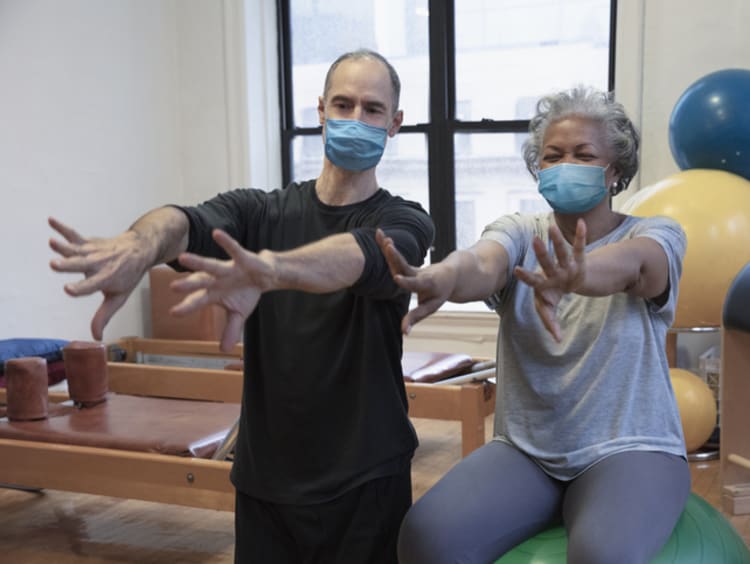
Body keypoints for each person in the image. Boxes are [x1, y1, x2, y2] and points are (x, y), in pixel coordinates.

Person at [49, 48, 434, 563]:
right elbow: (185, 220)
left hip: (366, 479)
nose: (355, 119)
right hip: (266, 480)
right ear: (320, 111)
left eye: (372, 109)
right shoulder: (260, 212)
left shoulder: (407, 220)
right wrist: (140, 246)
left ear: (395, 124)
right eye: (343, 105)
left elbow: (366, 255)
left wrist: (270, 270)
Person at [377, 86, 689, 564]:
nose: (566, 164)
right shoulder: (523, 234)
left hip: (632, 446)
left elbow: (638, 267)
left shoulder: (655, 232)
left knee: (602, 555)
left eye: (584, 155)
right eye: (553, 155)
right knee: (425, 538)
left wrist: (579, 273)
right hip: (528, 453)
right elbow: (483, 263)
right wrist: (444, 276)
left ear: (615, 172)